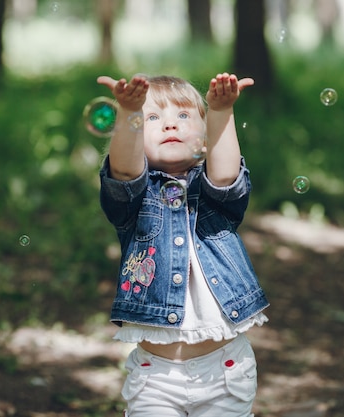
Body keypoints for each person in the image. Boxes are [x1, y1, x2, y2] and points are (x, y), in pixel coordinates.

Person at [96, 72, 269, 417]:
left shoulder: (212, 195)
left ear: (203, 140)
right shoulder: (135, 200)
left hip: (224, 371)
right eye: (152, 118)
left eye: (184, 116)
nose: (170, 126)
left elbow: (224, 175)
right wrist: (129, 111)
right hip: (156, 378)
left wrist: (220, 111)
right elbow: (126, 171)